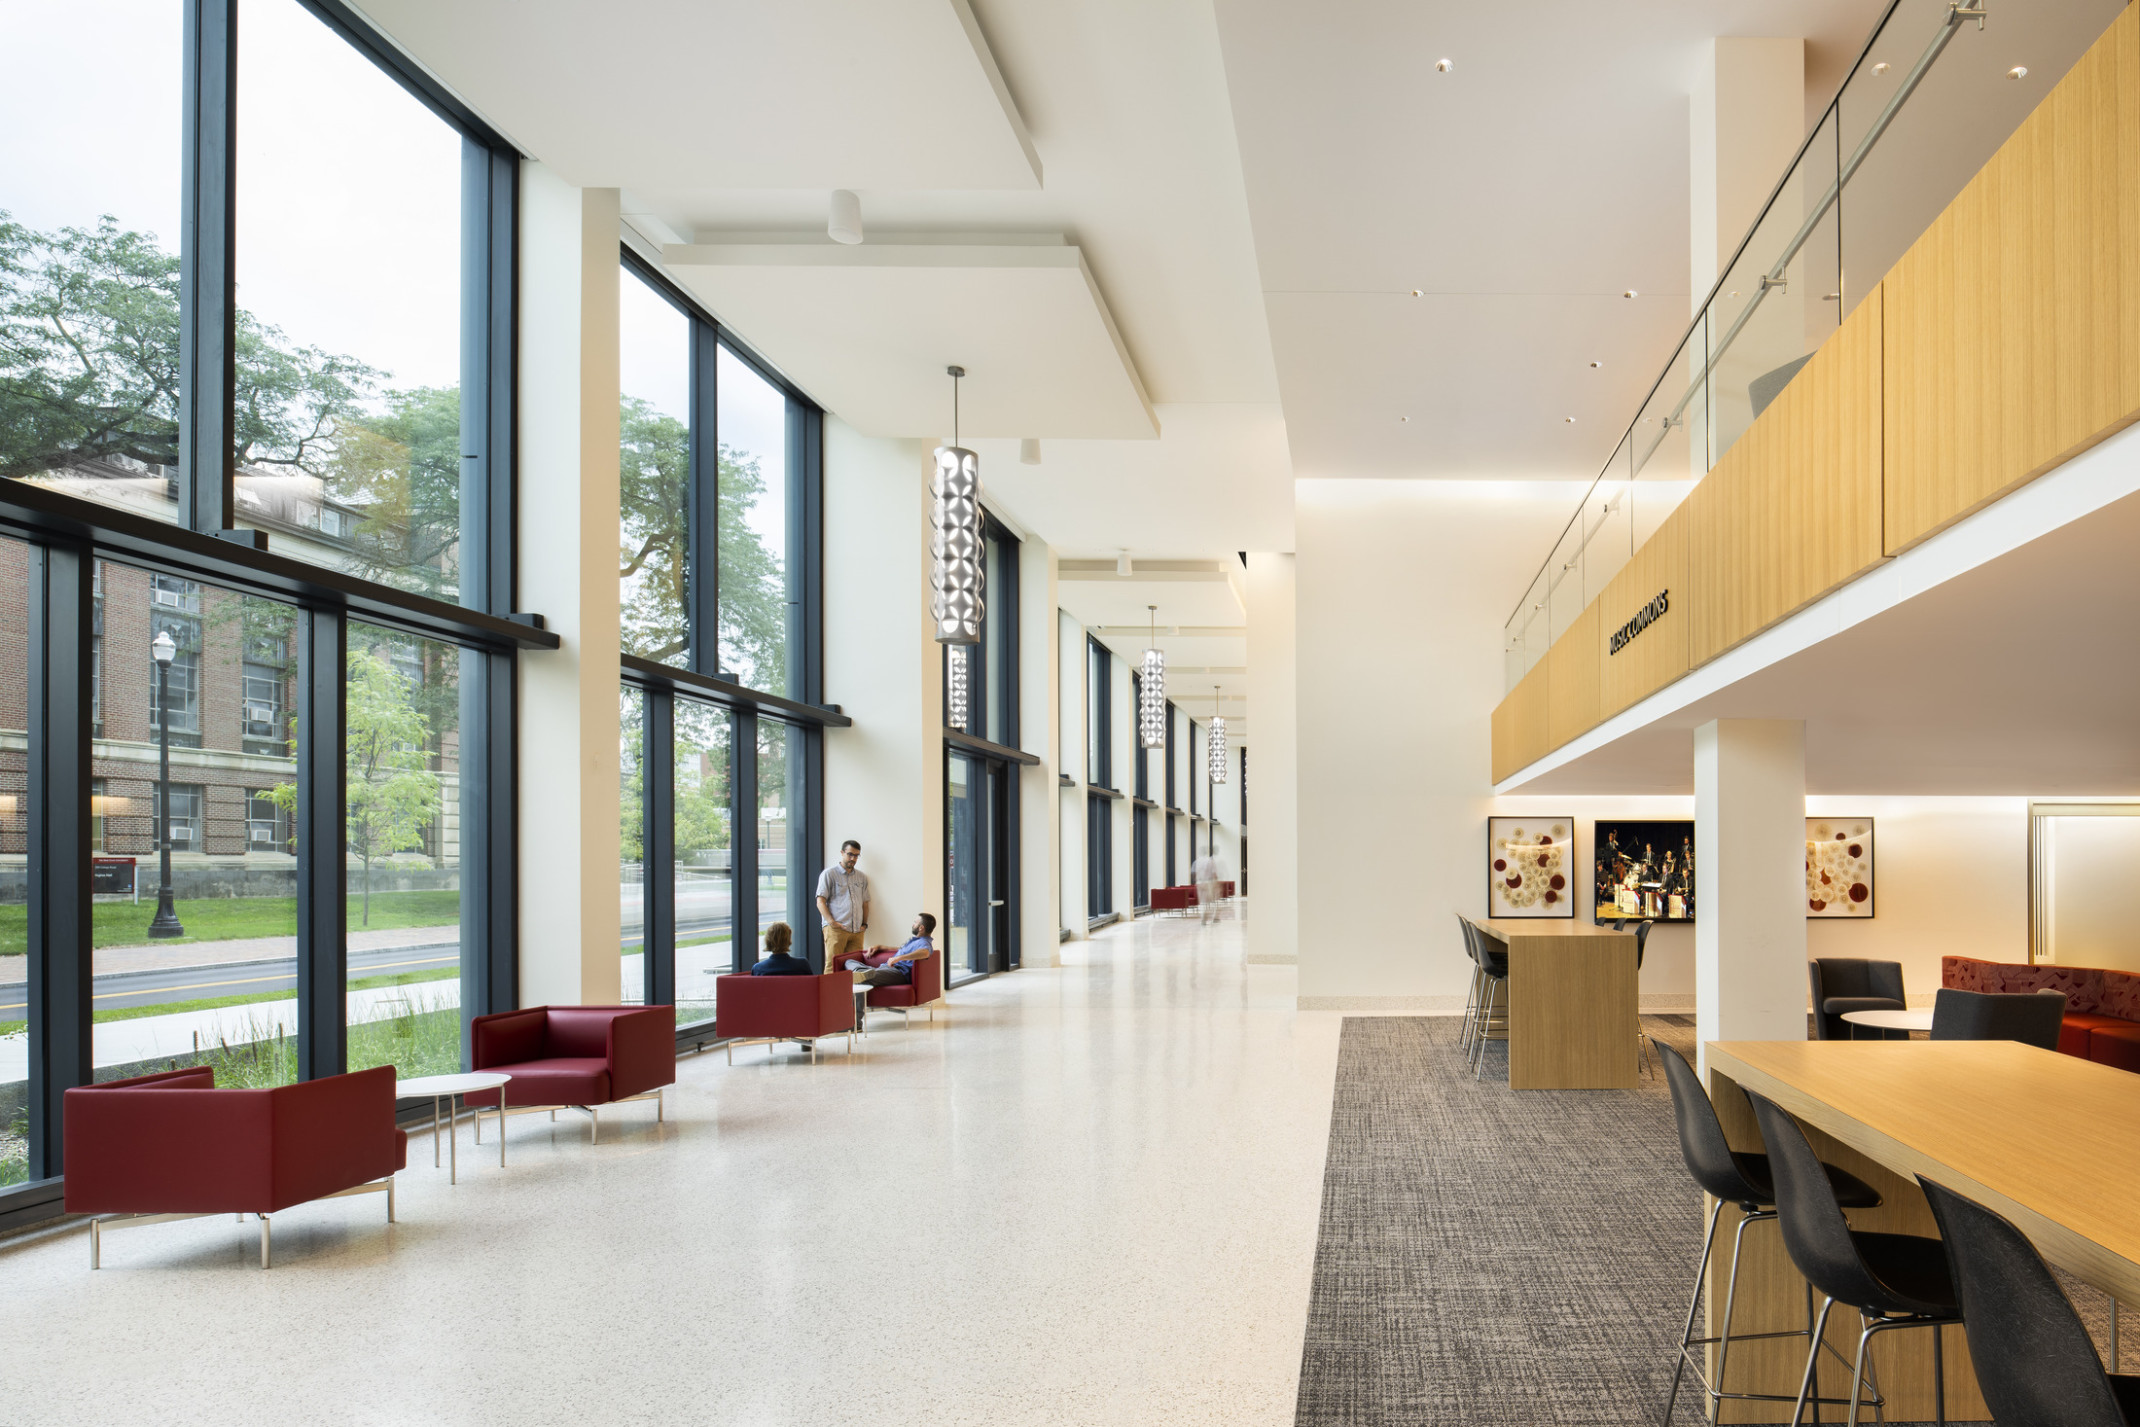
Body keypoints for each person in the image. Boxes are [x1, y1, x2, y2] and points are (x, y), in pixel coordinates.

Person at [844, 913, 936, 1007]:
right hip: (886, 968)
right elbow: (901, 950)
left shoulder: (924, 942)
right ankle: (862, 973)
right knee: (848, 961)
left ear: (921, 928)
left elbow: (925, 953)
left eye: (915, 922)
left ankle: (857, 1020)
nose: (913, 924)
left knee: (861, 981)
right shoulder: (915, 941)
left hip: (898, 972)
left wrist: (899, 958)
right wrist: (881, 947)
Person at [815, 839, 871, 969]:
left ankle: (850, 990)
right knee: (832, 966)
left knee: (855, 968)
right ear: (842, 852)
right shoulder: (829, 874)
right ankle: (829, 990)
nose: (853, 858)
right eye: (850, 854)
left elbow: (865, 903)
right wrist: (832, 922)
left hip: (857, 931)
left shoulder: (861, 877)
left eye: (856, 855)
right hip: (837, 929)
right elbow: (820, 901)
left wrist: (864, 924)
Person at [1191, 848, 1222, 923]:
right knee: (1207, 901)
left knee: (1202, 901)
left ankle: (1203, 918)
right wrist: (1217, 884)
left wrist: (1196, 881)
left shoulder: (1196, 861)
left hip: (1199, 882)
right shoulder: (1210, 861)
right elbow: (1214, 874)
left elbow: (1193, 873)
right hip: (1208, 882)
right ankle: (1208, 917)